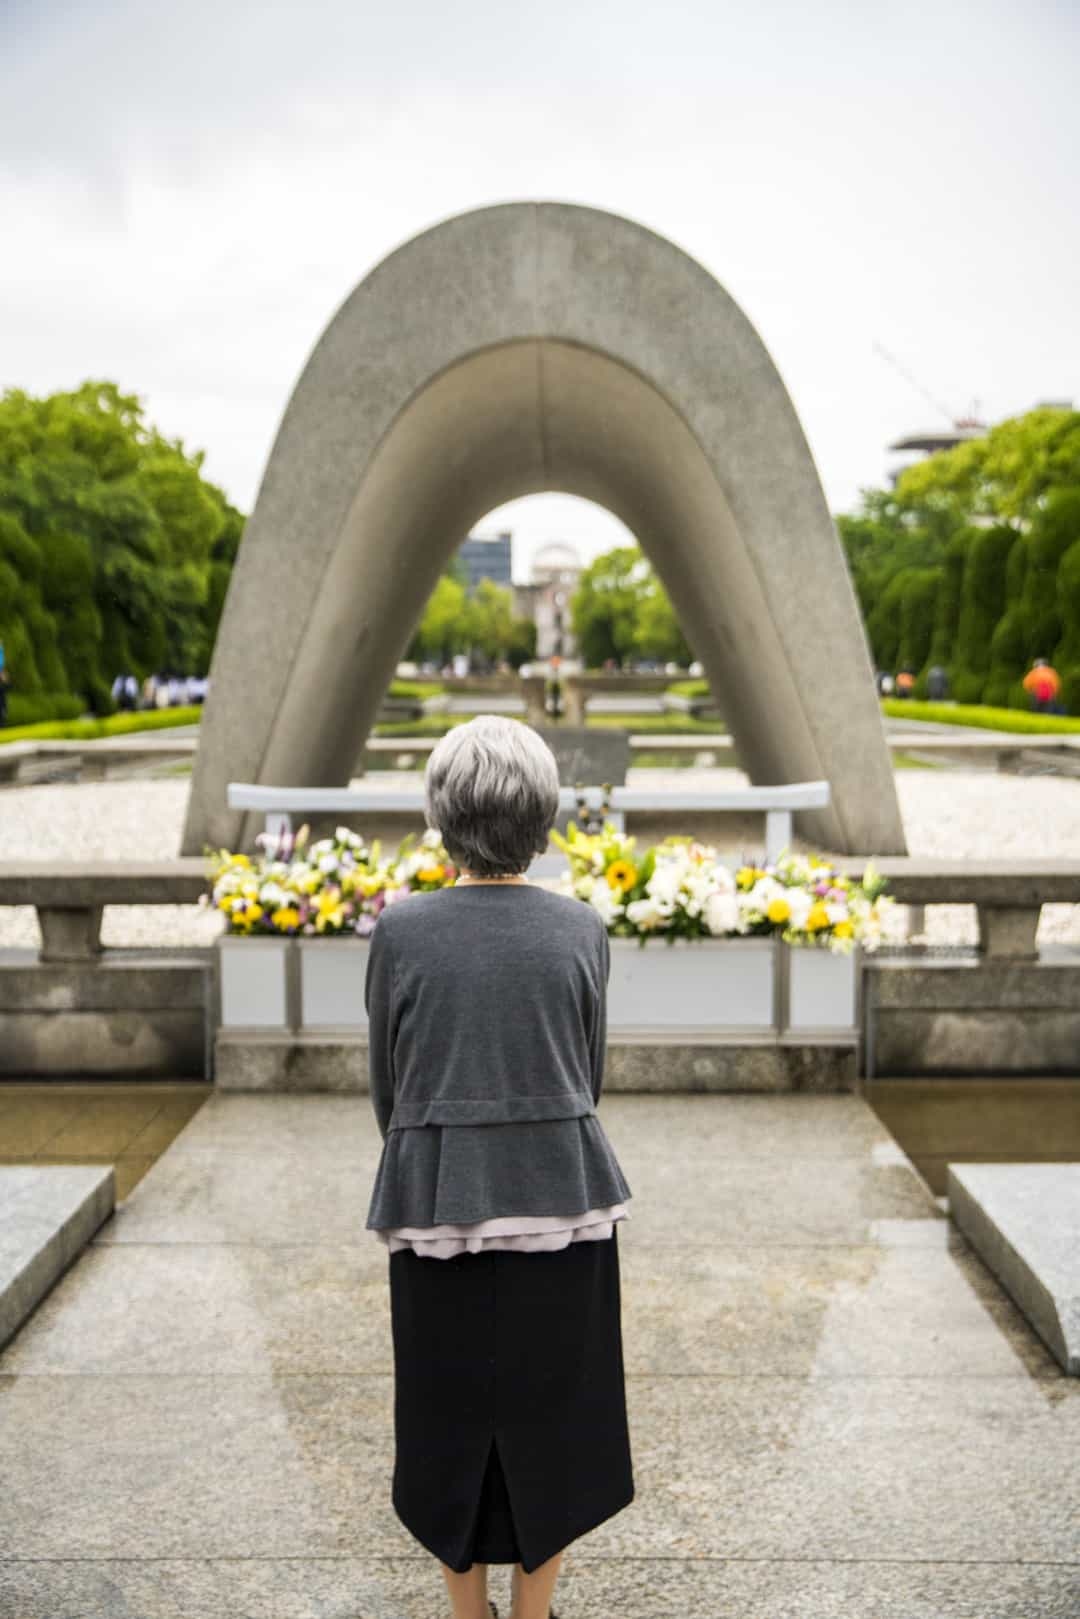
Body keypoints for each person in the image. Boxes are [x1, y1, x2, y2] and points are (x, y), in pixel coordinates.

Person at [364, 714, 635, 1619]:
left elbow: (389, 1083)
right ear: (545, 817)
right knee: (558, 1412)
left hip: (436, 1197)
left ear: (442, 818)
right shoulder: (581, 928)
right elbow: (585, 1069)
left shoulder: (401, 931)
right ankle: (534, 1611)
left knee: (442, 1414)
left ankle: (464, 1609)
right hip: (563, 1192)